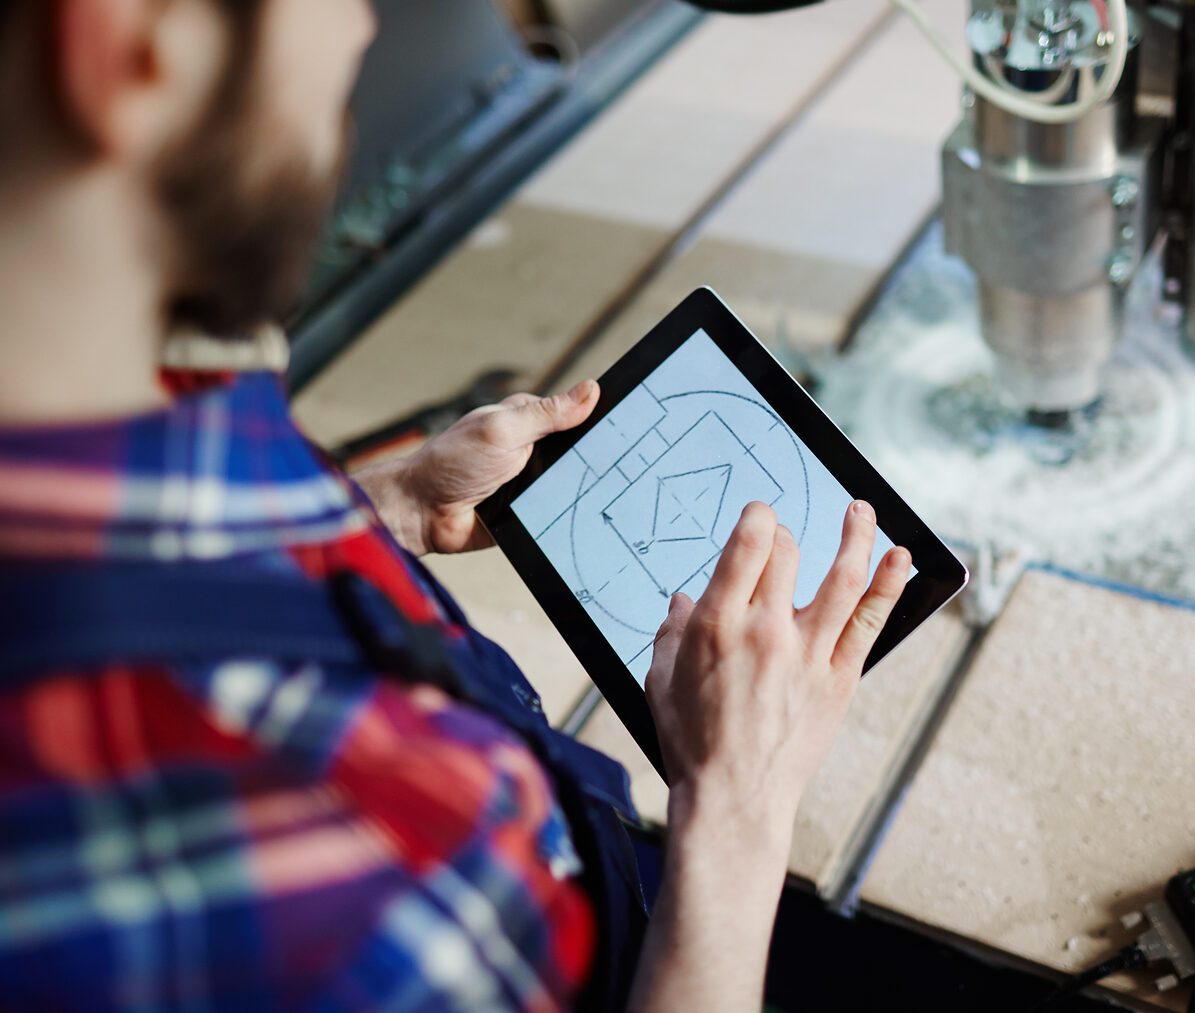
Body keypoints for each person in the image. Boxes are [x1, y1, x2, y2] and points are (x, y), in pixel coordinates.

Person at [0, 1, 912, 1010]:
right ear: (124, 41)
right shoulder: (346, 861)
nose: (359, 28)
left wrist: (387, 507)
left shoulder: (134, 382)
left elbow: (168, 554)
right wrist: (738, 804)